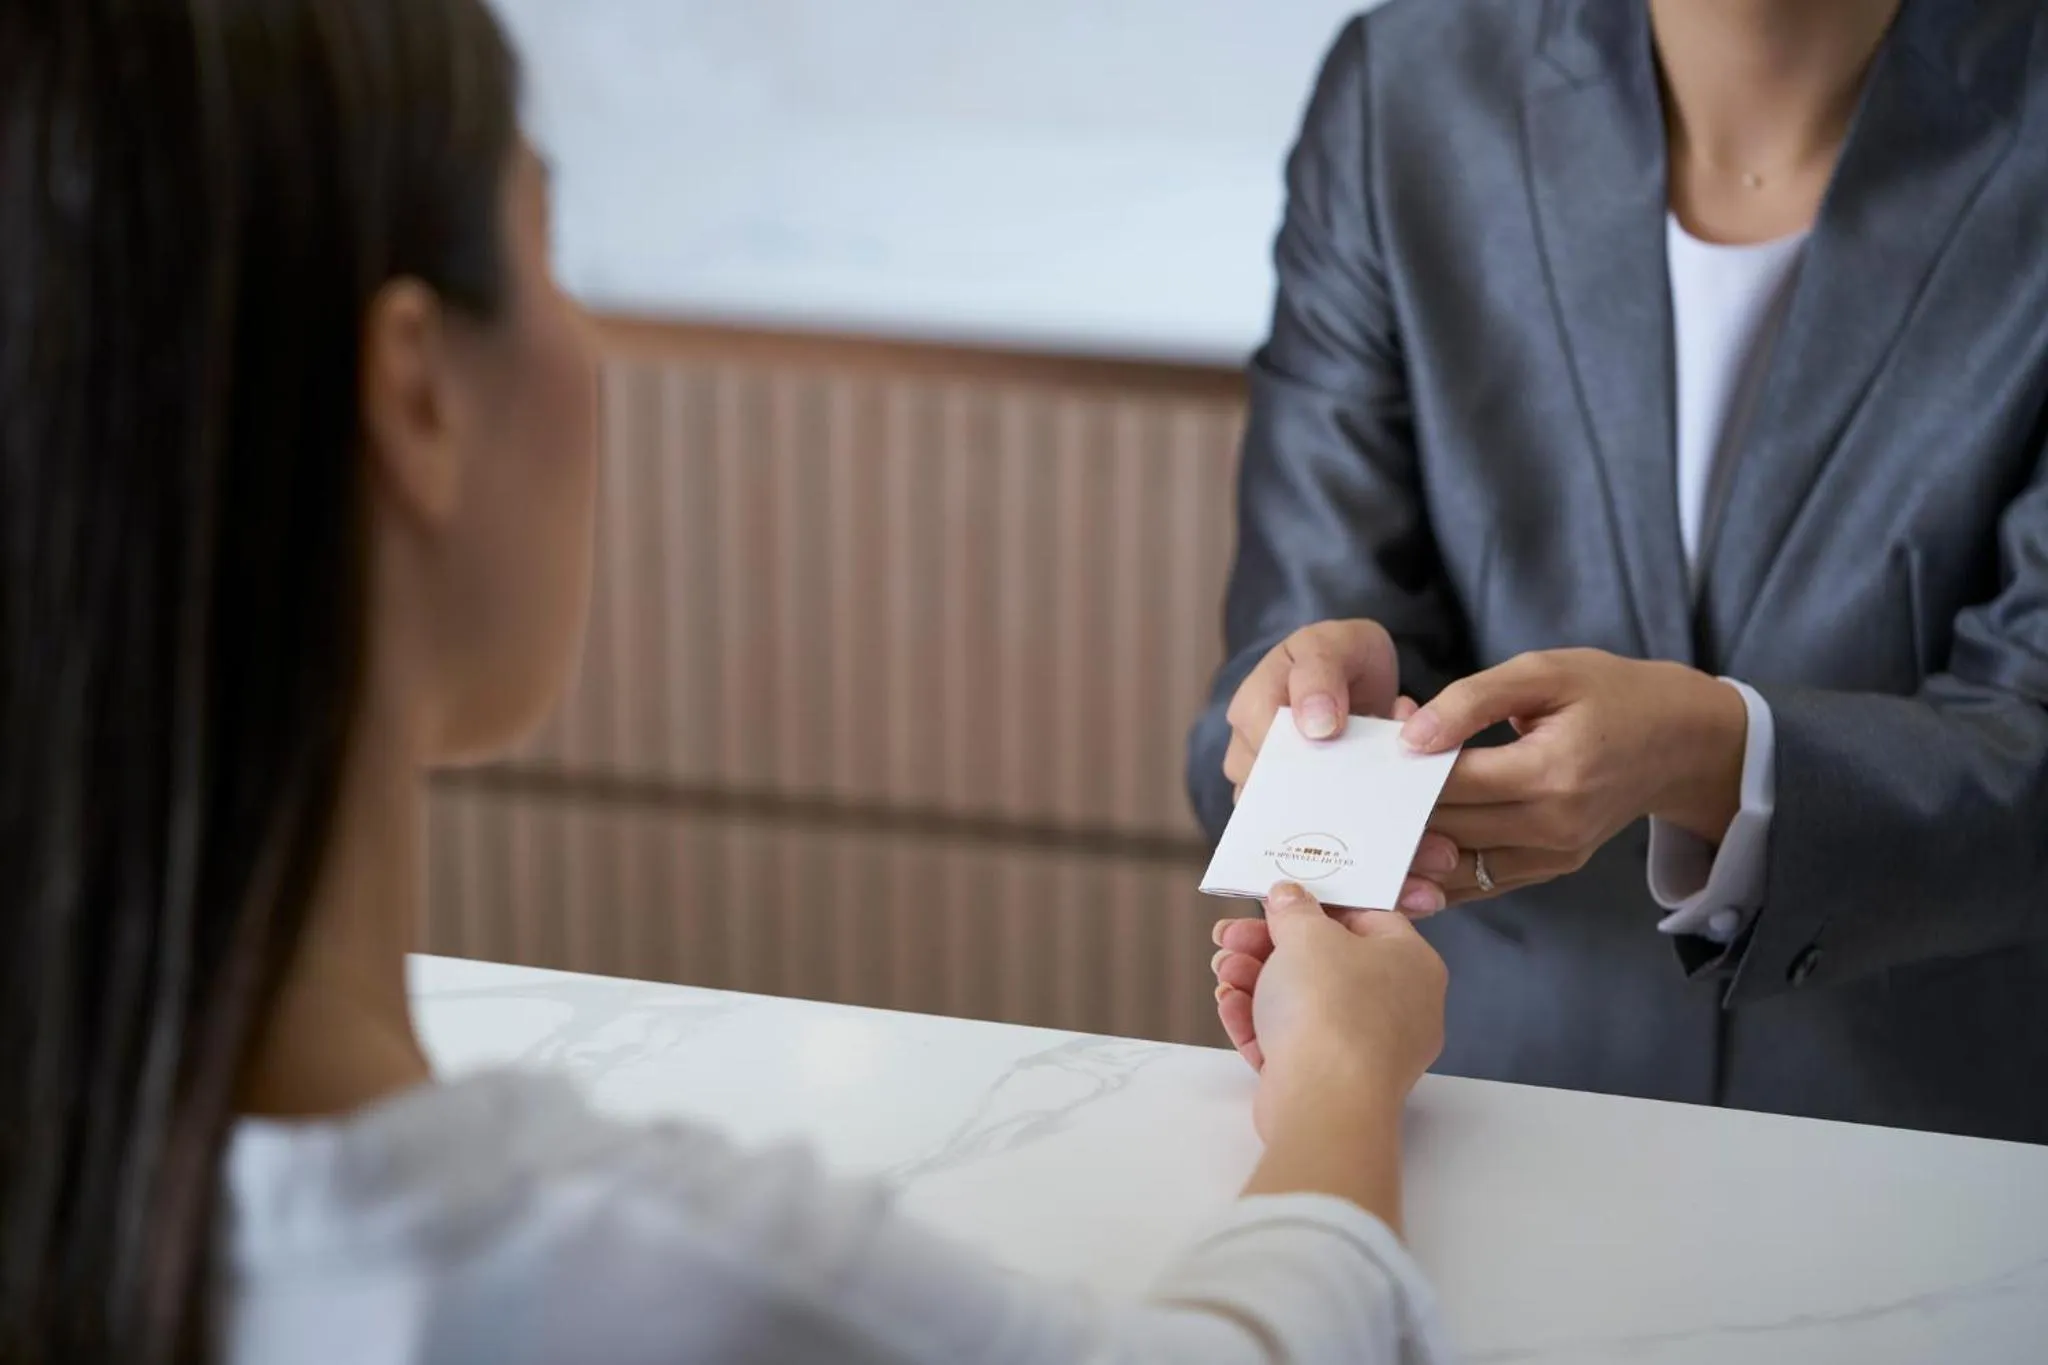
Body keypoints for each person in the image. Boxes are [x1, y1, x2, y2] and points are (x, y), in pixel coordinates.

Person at [0, 2, 1459, 1361]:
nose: (587, 342)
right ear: (418, 396)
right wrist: (1340, 1080)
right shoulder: (628, 1277)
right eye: (547, 245)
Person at [1189, 0, 2048, 1145]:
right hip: (1477, 1112)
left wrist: (1716, 757)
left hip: (1936, 1158)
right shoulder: (1406, 92)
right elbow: (1261, 682)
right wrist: (1292, 739)